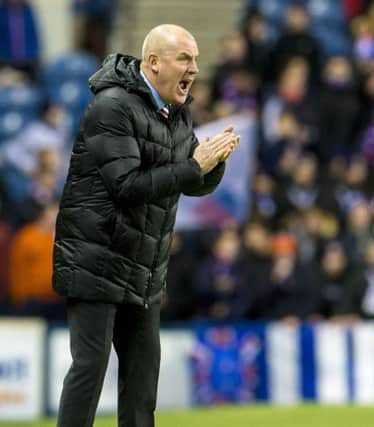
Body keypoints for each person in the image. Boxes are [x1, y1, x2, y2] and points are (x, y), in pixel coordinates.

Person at [52, 24, 240, 427]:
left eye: (196, 59)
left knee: (141, 385)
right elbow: (127, 186)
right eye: (185, 58)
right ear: (153, 63)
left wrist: (213, 163)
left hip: (144, 267)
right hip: (95, 259)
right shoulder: (112, 107)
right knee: (90, 369)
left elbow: (191, 182)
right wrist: (195, 165)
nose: (194, 68)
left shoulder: (177, 111)